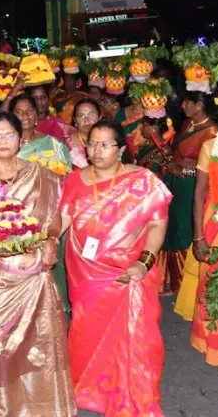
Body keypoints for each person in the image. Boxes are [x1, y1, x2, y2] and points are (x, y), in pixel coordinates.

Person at [0, 112, 75, 416]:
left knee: (40, 343)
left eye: (10, 135)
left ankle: (44, 408)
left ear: (21, 140)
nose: (3, 141)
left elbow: (53, 217)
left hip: (35, 275)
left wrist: (51, 240)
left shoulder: (41, 174)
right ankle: (0, 410)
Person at [61, 120, 171, 415]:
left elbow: (158, 224)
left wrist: (143, 262)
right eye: (92, 143)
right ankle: (90, 389)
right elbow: (63, 220)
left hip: (128, 273)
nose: (97, 150)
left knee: (132, 336)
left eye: (105, 144)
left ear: (121, 149)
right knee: (87, 330)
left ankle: (127, 391)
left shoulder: (143, 181)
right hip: (85, 273)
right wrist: (43, 241)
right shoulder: (74, 180)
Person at [165, 92, 218, 312]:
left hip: (192, 188)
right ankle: (175, 282)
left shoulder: (212, 132)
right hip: (176, 184)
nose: (183, 105)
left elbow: (209, 171)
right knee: (175, 230)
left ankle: (189, 287)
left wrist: (183, 169)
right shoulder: (187, 124)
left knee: (187, 232)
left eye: (188, 102)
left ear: (199, 105)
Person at [189, 104, 218, 366]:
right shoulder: (210, 147)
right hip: (214, 225)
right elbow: (199, 193)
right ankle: (212, 342)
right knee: (211, 283)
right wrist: (197, 236)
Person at [9, 94, 72, 174]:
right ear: (11, 116)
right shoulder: (5, 145)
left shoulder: (55, 145)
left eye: (30, 110)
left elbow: (67, 177)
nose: (25, 115)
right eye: (19, 112)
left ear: (36, 115)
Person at [67, 98, 101, 169]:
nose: (87, 120)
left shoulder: (110, 140)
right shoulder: (67, 146)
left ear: (100, 117)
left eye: (91, 115)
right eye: (81, 116)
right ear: (75, 121)